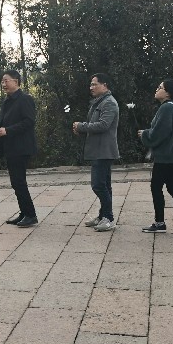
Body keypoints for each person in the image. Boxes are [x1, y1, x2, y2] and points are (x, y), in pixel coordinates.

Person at [137, 79, 173, 234]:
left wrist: (145, 134)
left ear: (168, 92)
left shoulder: (167, 108)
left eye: (160, 87)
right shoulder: (172, 107)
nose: (157, 89)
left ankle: (159, 223)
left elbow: (160, 133)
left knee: (156, 187)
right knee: (172, 188)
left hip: (166, 156)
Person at [0, 69, 38, 227]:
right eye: (2, 81)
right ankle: (24, 213)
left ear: (16, 82)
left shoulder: (25, 99)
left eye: (6, 81)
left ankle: (31, 215)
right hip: (10, 147)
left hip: (21, 147)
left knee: (19, 181)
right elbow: (5, 121)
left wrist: (8, 130)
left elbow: (29, 121)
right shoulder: (7, 101)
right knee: (16, 182)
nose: (3, 84)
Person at [73, 72, 120, 232]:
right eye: (91, 84)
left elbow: (103, 125)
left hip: (104, 150)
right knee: (104, 185)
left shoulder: (109, 103)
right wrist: (82, 129)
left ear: (105, 85)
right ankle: (103, 215)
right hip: (98, 149)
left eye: (94, 84)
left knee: (98, 185)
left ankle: (109, 218)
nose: (91, 87)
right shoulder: (99, 102)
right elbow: (96, 124)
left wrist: (82, 126)